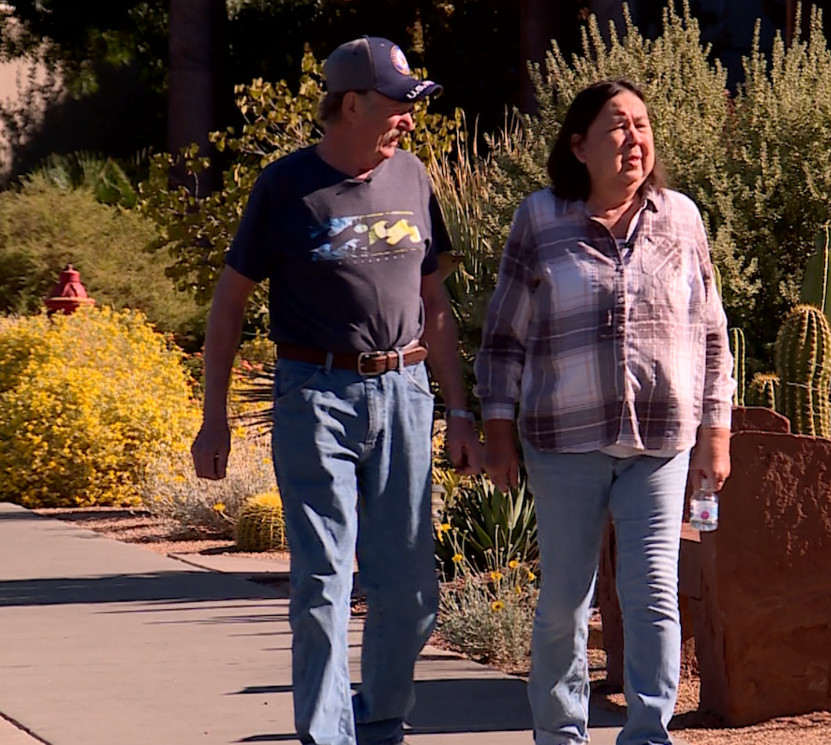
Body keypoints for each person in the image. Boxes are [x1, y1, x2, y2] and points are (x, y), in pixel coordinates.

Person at [190, 36, 481, 745]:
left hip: (406, 393)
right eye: (398, 104)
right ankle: (327, 735)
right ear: (351, 104)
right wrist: (213, 416)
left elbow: (434, 301)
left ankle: (380, 719)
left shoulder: (412, 177)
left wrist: (461, 409)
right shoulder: (285, 187)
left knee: (411, 592)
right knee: (322, 581)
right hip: (315, 394)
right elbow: (229, 303)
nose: (410, 118)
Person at [475, 79, 736, 745]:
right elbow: (504, 334)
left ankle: (649, 732)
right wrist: (497, 428)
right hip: (564, 438)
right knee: (566, 596)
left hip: (661, 436)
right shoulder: (540, 219)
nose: (633, 139)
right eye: (617, 127)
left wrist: (717, 432)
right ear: (579, 145)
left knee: (652, 588)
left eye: (642, 125)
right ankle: (561, 733)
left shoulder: (680, 217)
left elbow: (711, 331)